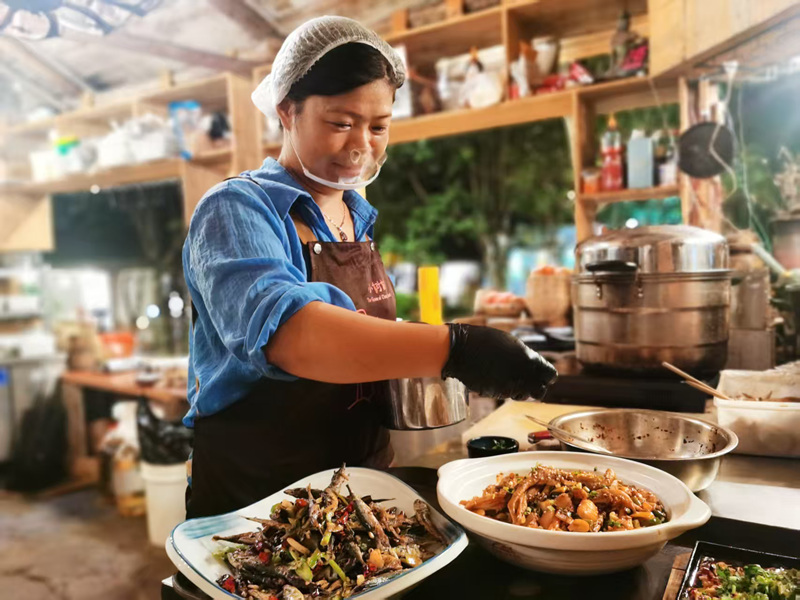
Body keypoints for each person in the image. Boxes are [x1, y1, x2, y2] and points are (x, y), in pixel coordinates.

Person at [183, 16, 557, 518]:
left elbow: (357, 333)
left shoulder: (355, 217)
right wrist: (456, 348)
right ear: (287, 110)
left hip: (358, 492)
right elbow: (291, 334)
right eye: (341, 123)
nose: (361, 145)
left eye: (378, 127)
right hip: (257, 502)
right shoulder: (236, 208)